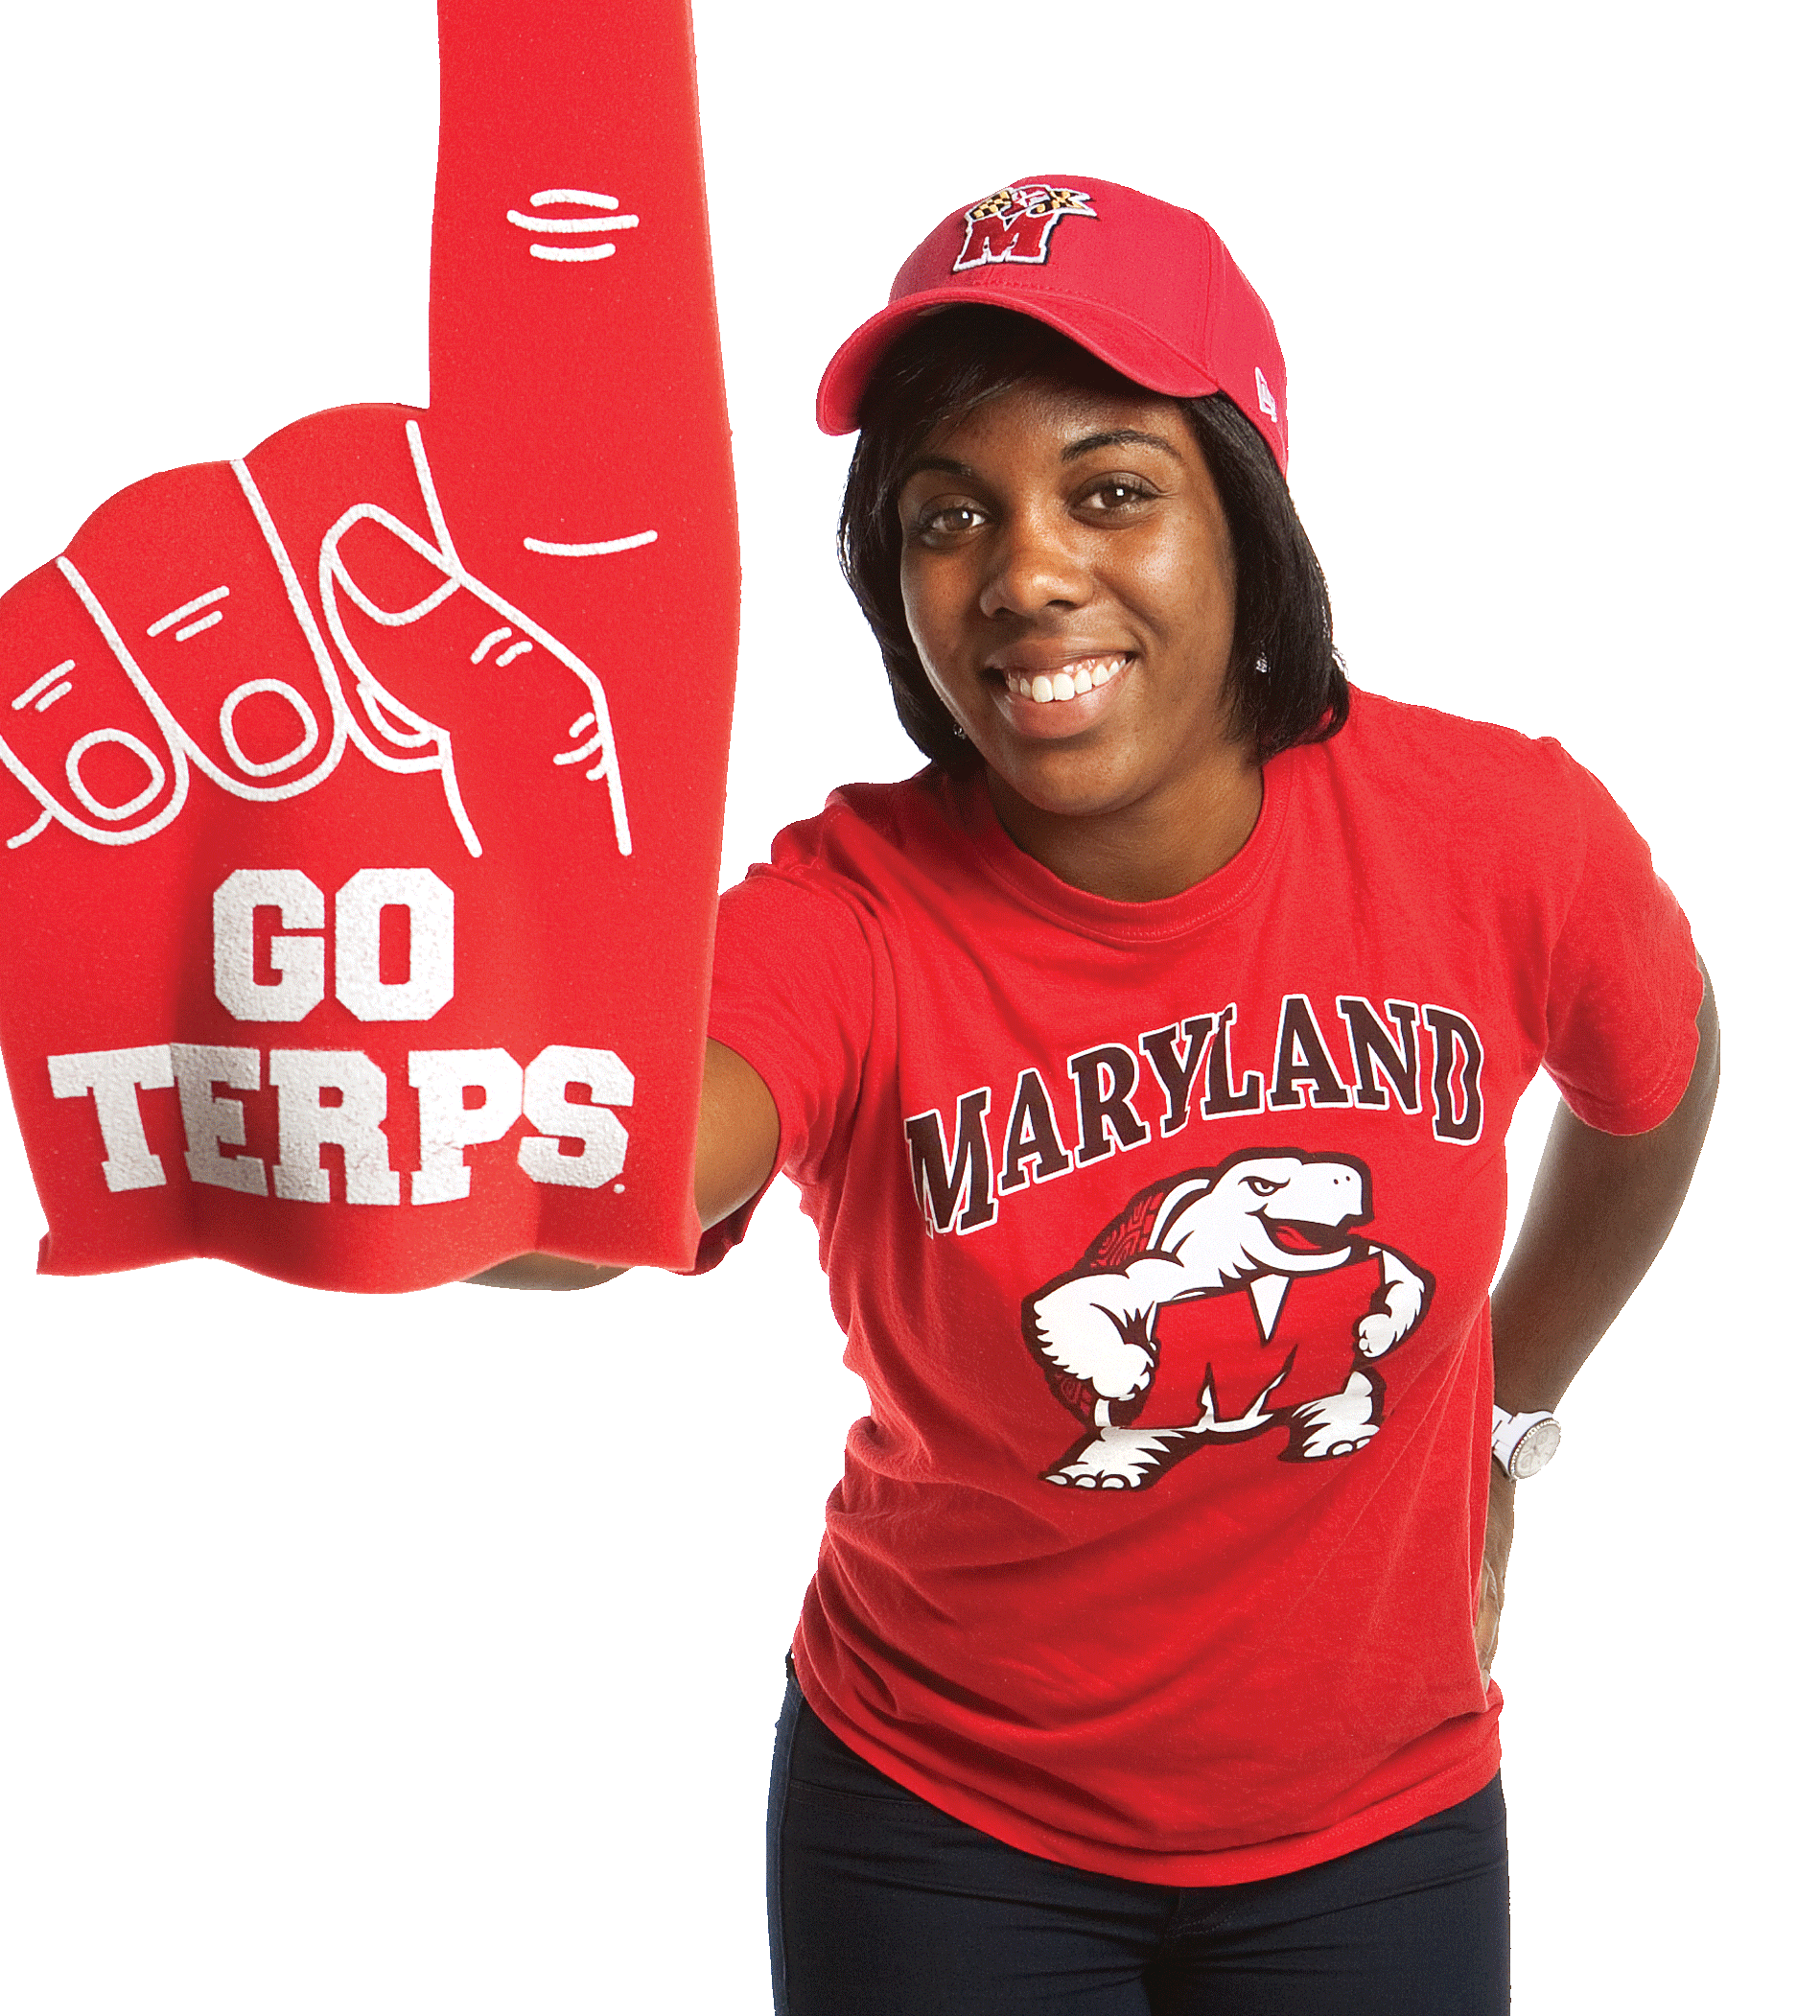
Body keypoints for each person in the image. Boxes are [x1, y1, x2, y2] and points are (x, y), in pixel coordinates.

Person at [472, 176, 1719, 2015]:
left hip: (1378, 1816)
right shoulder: (852, 911)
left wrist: (1509, 1413)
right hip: (940, 1813)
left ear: (1248, 507)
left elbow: (1657, 1086)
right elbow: (610, 1185)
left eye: (1111, 489)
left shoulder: (1498, 834)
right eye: (946, 515)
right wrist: (401, 1126)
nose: (1028, 570)